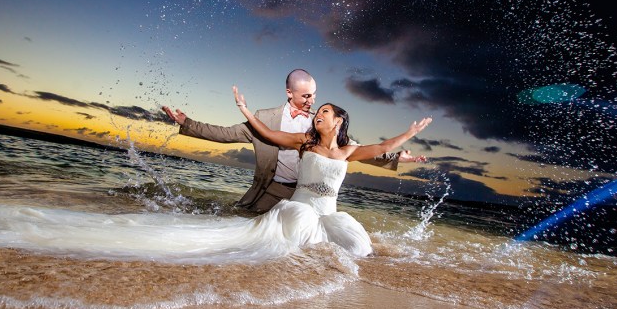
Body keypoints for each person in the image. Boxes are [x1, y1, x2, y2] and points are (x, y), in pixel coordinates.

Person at [162, 69, 426, 212]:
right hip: (273, 189)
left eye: (314, 96)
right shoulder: (265, 118)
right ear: (290, 93)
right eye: (306, 97)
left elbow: (351, 150)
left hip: (306, 197)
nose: (312, 102)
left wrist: (394, 157)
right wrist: (187, 123)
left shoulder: (319, 123)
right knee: (245, 225)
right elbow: (224, 134)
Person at [231, 85, 433, 256]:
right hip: (300, 210)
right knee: (292, 241)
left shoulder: (348, 151)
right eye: (317, 112)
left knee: (358, 249)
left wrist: (410, 133)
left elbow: (382, 148)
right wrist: (244, 109)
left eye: (324, 112)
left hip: (330, 216)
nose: (317, 114)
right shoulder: (305, 142)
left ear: (338, 121)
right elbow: (269, 133)